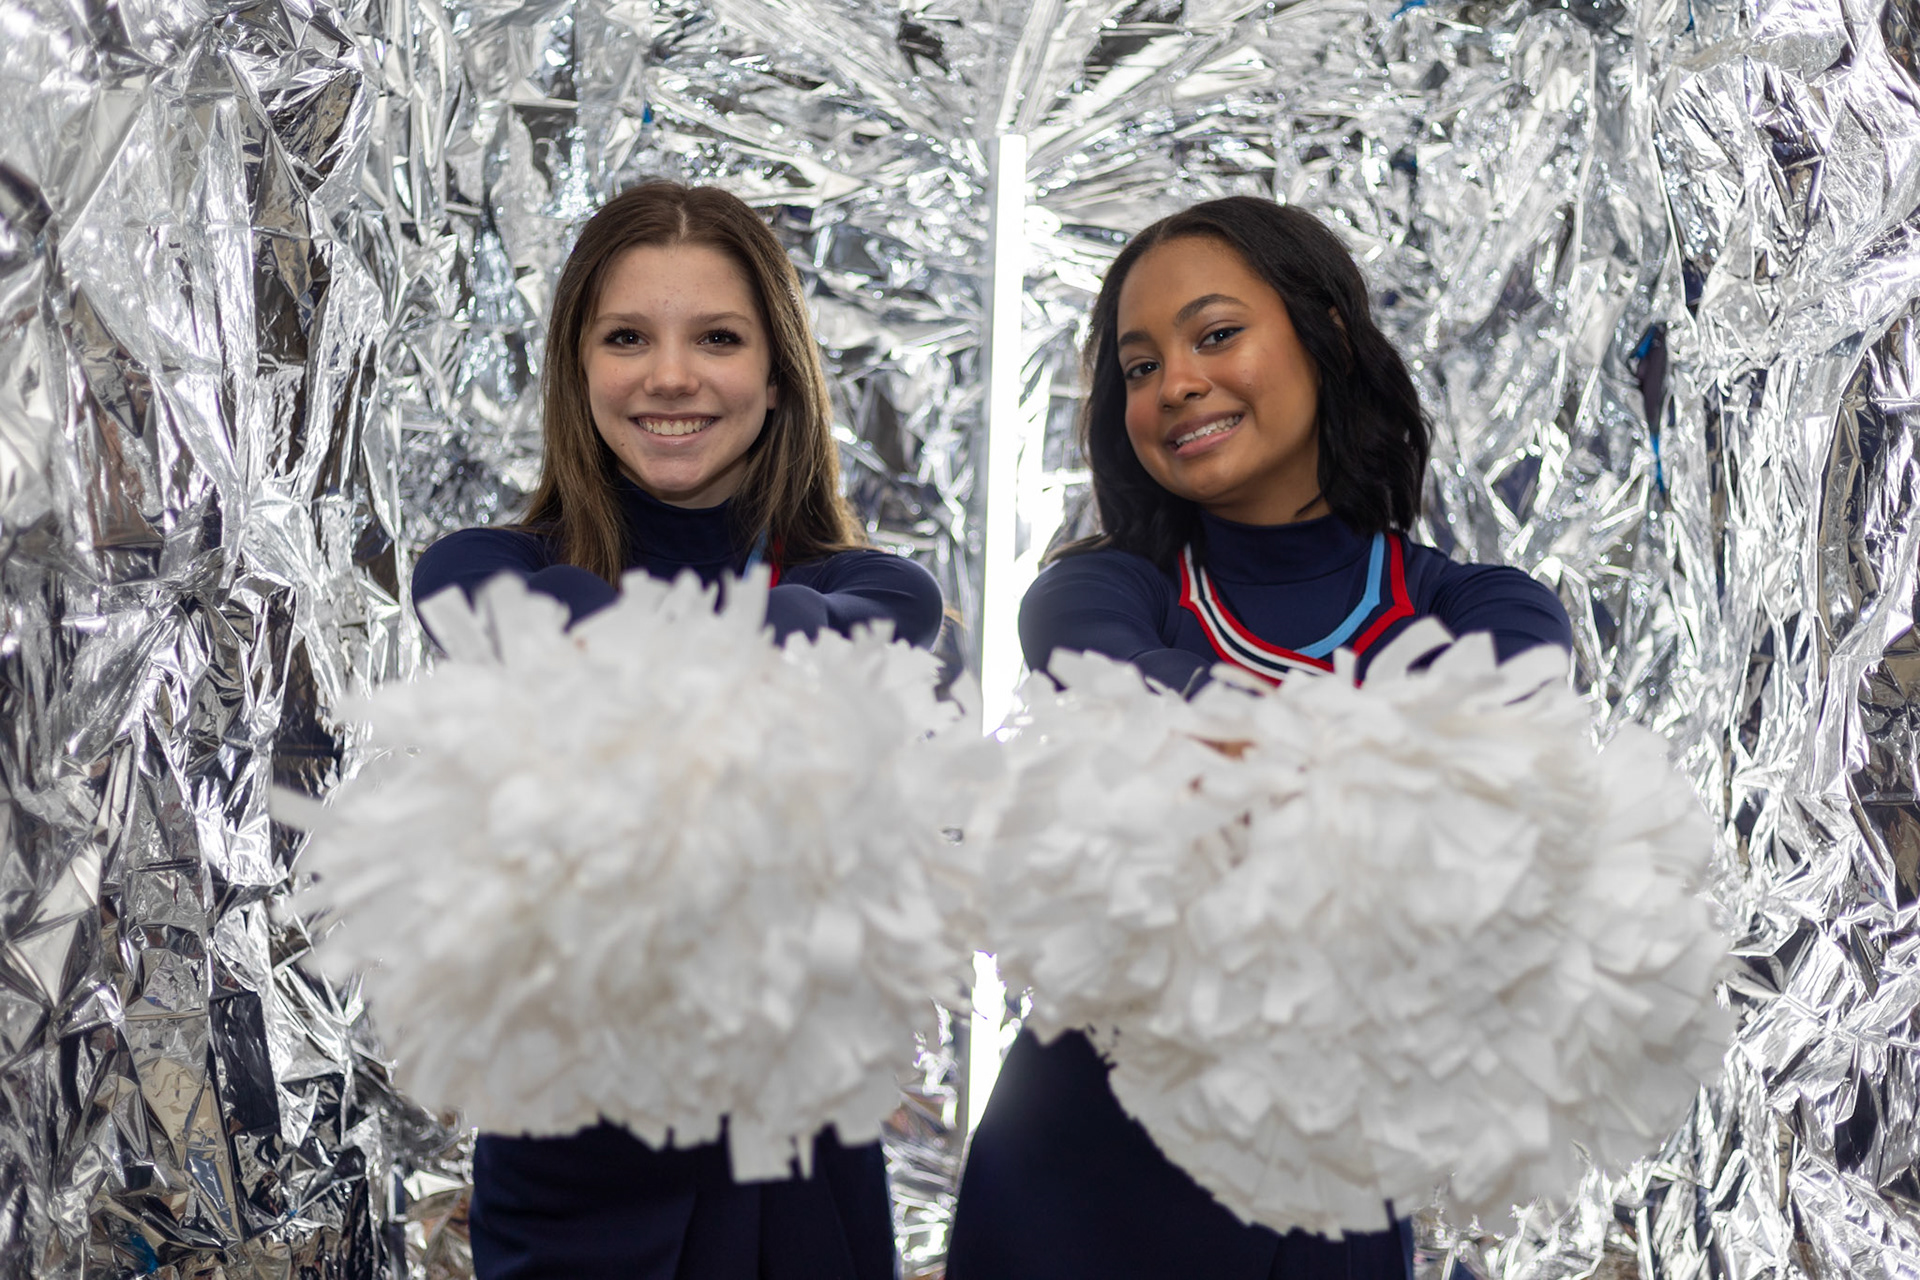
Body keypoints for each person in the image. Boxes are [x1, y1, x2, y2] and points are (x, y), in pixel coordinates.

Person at [945, 196, 1573, 1279]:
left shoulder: (1490, 613)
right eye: (1138, 366)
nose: (1176, 382)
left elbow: (1483, 770)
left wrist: (1247, 761)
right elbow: (1110, 674)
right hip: (1072, 1182)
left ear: (1325, 333)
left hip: (1325, 1195)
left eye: (1216, 333)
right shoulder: (1099, 594)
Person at [412, 181, 941, 1280]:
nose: (670, 374)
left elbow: (815, 642)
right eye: (626, 336)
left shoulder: (877, 587)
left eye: (716, 336)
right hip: (567, 1176)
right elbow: (534, 623)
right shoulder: (485, 570)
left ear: (777, 370)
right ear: (579, 367)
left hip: (793, 1176)